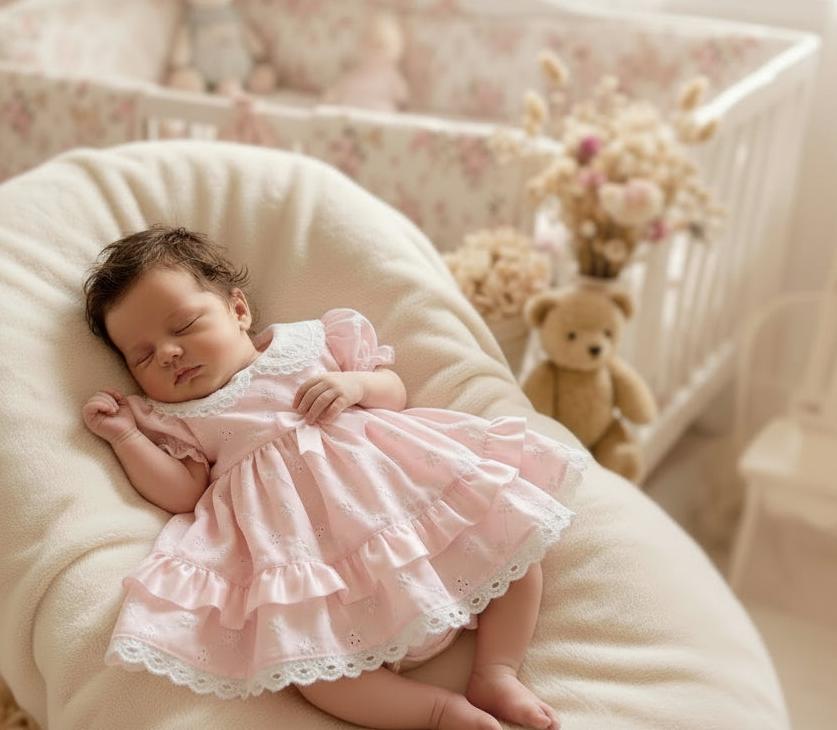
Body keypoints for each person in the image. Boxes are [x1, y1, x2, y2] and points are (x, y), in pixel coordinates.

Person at [82, 225, 586, 730]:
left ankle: (496, 672)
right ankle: (436, 712)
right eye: (142, 356)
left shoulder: (307, 344)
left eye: (184, 325)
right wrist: (126, 437)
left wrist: (355, 385)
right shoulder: (183, 419)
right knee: (311, 669)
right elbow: (183, 493)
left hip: (403, 504)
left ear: (238, 310)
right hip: (308, 558)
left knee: (511, 540)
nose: (167, 353)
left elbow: (393, 393)